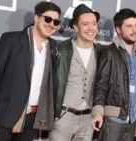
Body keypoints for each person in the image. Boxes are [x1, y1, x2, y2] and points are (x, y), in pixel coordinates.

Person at [0, 1, 61, 141]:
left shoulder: (53, 46)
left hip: (32, 117)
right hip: (4, 114)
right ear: (36, 18)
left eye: (56, 22)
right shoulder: (11, 40)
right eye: (48, 19)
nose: (51, 24)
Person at [48, 4, 103, 141]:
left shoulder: (102, 51)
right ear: (76, 27)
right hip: (63, 116)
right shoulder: (61, 49)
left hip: (88, 119)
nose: (91, 28)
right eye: (85, 24)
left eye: (94, 24)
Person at [90, 8, 136, 141]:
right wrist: (98, 112)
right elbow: (100, 85)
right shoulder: (109, 52)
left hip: (131, 123)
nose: (134, 30)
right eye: (129, 26)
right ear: (118, 29)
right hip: (111, 122)